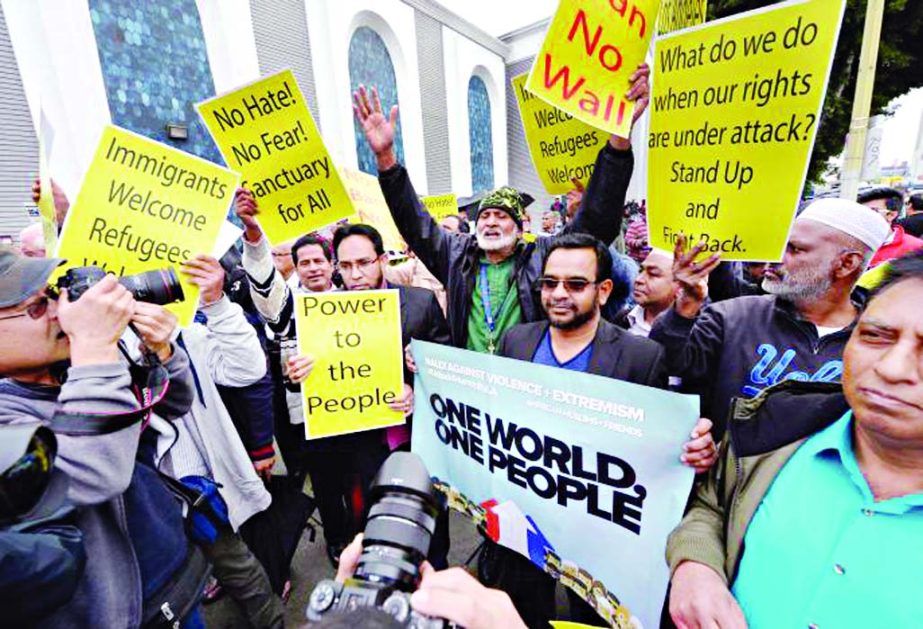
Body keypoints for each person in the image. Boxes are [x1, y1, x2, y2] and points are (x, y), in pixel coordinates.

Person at [666, 250, 923, 629]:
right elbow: (712, 507)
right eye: (875, 336)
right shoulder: (775, 428)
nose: (891, 368)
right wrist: (695, 565)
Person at [482, 234, 716, 627]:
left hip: (600, 536)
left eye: (575, 284)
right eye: (550, 282)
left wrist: (692, 446)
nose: (559, 294)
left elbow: (662, 442)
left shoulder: (641, 356)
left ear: (604, 291)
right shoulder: (516, 341)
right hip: (524, 520)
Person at [352, 63, 649, 353]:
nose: (490, 222)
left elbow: (594, 225)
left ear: (520, 228)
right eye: (485, 215)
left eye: (501, 215)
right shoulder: (455, 257)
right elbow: (415, 223)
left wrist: (619, 141)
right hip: (471, 387)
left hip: (524, 385)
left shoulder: (544, 256)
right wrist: (386, 158)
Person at [0, 248, 206, 628]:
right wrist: (94, 351)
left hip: (175, 579)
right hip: (119, 614)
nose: (59, 311)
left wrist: (160, 351)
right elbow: (92, 475)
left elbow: (172, 405)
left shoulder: (75, 372)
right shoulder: (12, 412)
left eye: (51, 296)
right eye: (35, 308)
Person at [650, 198, 891, 441]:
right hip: (730, 477)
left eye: (795, 249)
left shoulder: (884, 345)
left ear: (846, 264)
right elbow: (667, 377)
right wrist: (686, 307)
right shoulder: (730, 318)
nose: (776, 258)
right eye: (779, 247)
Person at [148, 254, 284, 628]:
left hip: (192, 486)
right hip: (138, 500)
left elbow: (248, 371)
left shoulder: (184, 332)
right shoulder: (84, 351)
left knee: (235, 564)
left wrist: (215, 303)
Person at [613, 248, 678, 337]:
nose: (638, 280)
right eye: (641, 271)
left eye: (652, 274)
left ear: (680, 284)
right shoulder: (622, 320)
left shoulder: (695, 335)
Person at [858, 186, 923, 268]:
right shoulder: (851, 244)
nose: (864, 216)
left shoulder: (915, 248)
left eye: (872, 211)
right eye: (861, 211)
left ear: (891, 215)